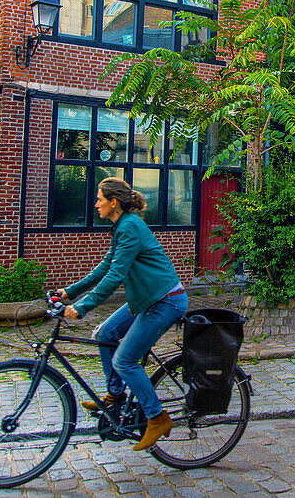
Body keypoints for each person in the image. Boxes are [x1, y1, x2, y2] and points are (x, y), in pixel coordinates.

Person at [58, 176, 188, 452]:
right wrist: (69, 292)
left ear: (113, 203)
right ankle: (116, 396)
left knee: (125, 359)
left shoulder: (130, 228)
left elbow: (115, 276)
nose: (96, 205)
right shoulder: (122, 227)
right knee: (105, 333)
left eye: (100, 200)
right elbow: (104, 267)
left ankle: (157, 418)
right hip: (146, 299)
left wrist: (82, 307)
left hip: (166, 301)